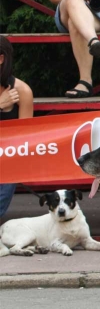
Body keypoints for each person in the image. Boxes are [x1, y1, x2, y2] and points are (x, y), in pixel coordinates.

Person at [0, 36, 34, 217]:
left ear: (1, 59)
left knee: (10, 168)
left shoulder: (22, 91)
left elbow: (23, 141)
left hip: (6, 156)